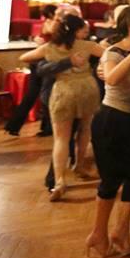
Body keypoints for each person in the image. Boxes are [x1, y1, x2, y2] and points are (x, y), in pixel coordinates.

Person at [86, 5, 130, 258]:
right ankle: (98, 233)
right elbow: (111, 78)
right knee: (111, 179)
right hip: (111, 120)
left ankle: (121, 231)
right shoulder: (115, 51)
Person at [20, 14, 103, 200]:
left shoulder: (49, 48)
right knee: (85, 130)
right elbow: (109, 54)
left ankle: (59, 181)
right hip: (87, 88)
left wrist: (53, 59)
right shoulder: (86, 45)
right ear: (77, 30)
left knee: (61, 139)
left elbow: (24, 57)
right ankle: (80, 166)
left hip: (63, 90)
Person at [4, 4, 59, 136]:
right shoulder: (52, 24)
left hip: (39, 61)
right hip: (45, 62)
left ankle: (13, 126)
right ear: (52, 14)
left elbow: (41, 38)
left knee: (33, 94)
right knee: (45, 94)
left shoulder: (47, 23)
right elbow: (50, 38)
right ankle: (46, 128)